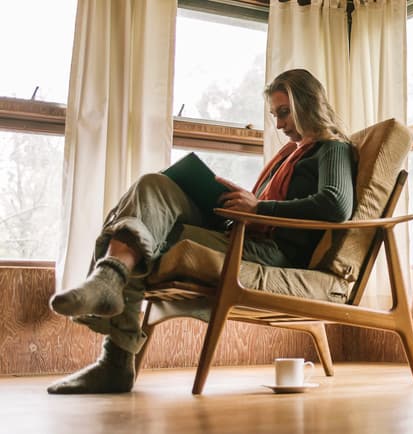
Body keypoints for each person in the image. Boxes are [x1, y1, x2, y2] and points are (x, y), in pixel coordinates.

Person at [46, 69, 356, 394]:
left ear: (308, 104)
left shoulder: (331, 148)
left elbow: (336, 205)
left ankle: (115, 356)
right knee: (153, 185)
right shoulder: (289, 155)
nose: (278, 124)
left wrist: (258, 208)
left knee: (146, 237)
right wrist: (241, 201)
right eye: (275, 115)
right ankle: (109, 280)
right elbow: (270, 204)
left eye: (284, 112)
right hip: (245, 233)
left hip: (270, 250)